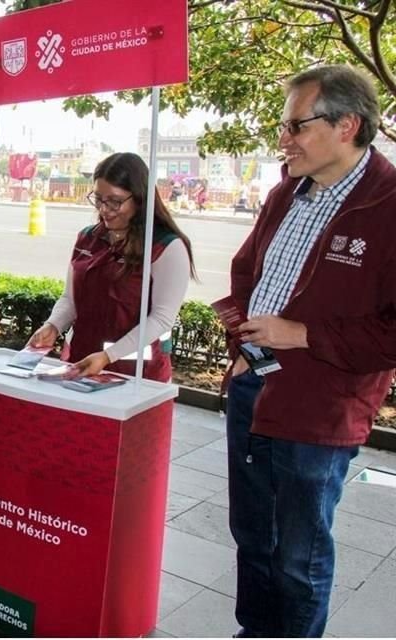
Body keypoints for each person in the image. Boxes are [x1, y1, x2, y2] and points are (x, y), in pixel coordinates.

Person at [224, 65, 396, 638]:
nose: (283, 139)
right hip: (255, 384)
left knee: (298, 556)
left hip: (321, 408)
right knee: (251, 536)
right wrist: (240, 341)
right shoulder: (286, 191)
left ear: (347, 125)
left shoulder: (388, 205)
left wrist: (302, 335)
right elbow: (246, 272)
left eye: (296, 125)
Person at [26, 152, 195, 382]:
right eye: (98, 199)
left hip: (137, 374)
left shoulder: (166, 246)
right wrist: (53, 326)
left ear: (139, 198)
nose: (104, 209)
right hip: (80, 361)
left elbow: (162, 319)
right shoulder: (88, 238)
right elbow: (71, 298)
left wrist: (108, 356)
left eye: (115, 201)